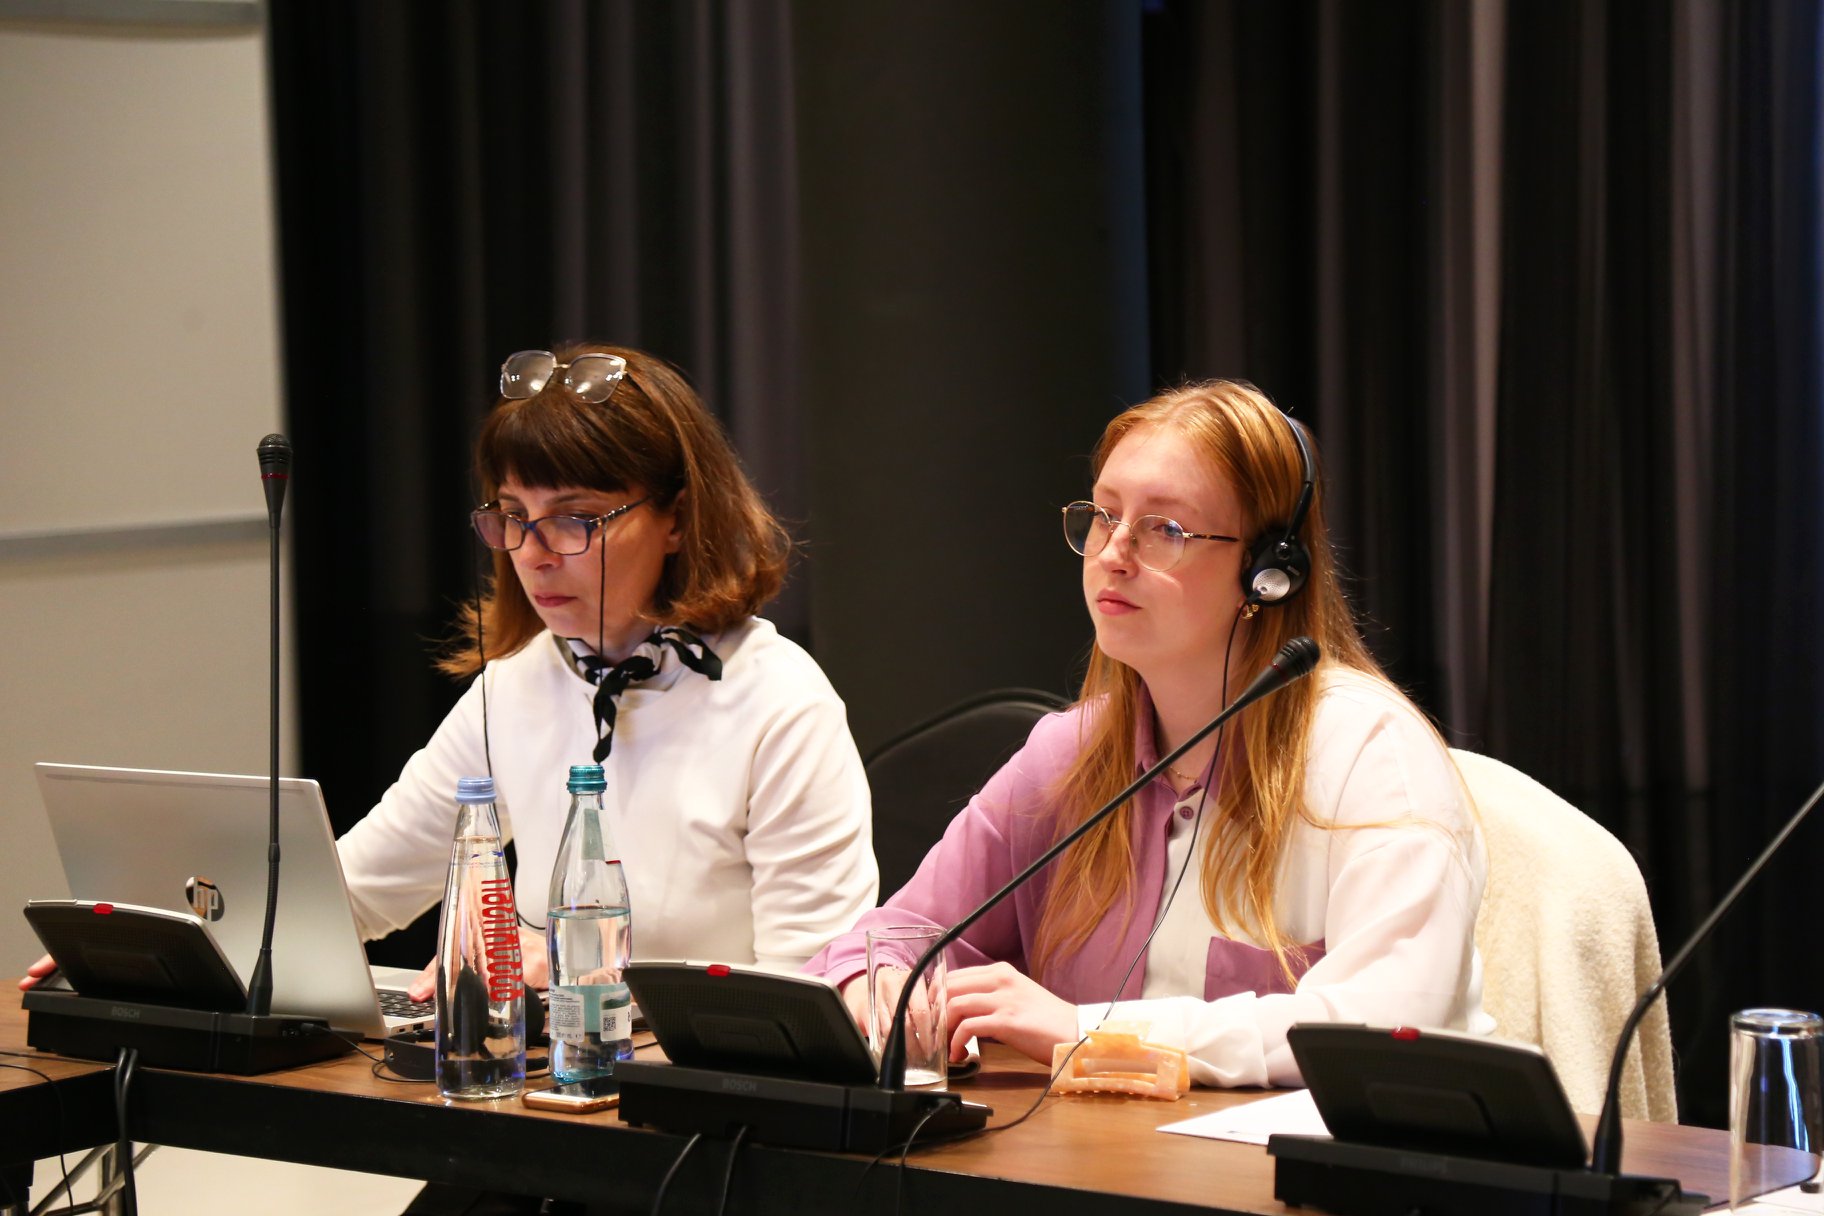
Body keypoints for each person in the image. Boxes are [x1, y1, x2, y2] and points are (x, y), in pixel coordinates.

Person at [17, 344, 877, 999]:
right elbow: (360, 888)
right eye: (512, 517)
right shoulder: (518, 685)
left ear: (679, 520)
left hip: (717, 1124)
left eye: (574, 519)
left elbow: (816, 984)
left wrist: (588, 979)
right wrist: (162, 948)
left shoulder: (779, 702)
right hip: (554, 1098)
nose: (532, 554)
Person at [805, 379, 1489, 1089]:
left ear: (1268, 574)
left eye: (1166, 529)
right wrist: (880, 988)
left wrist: (1096, 1035)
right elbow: (883, 942)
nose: (1114, 552)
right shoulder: (1068, 755)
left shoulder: (1370, 755)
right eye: (1104, 516)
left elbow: (1387, 1026)